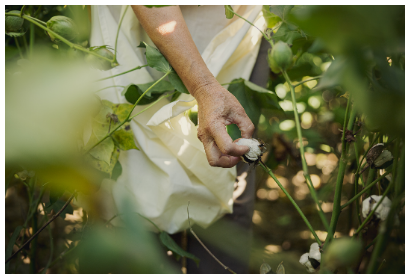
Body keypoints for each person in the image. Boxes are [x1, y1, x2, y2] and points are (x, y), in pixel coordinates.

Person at [87, 5, 269, 273]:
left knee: (228, 183)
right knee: (134, 191)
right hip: (137, 32)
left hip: (239, 33)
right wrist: (204, 87)